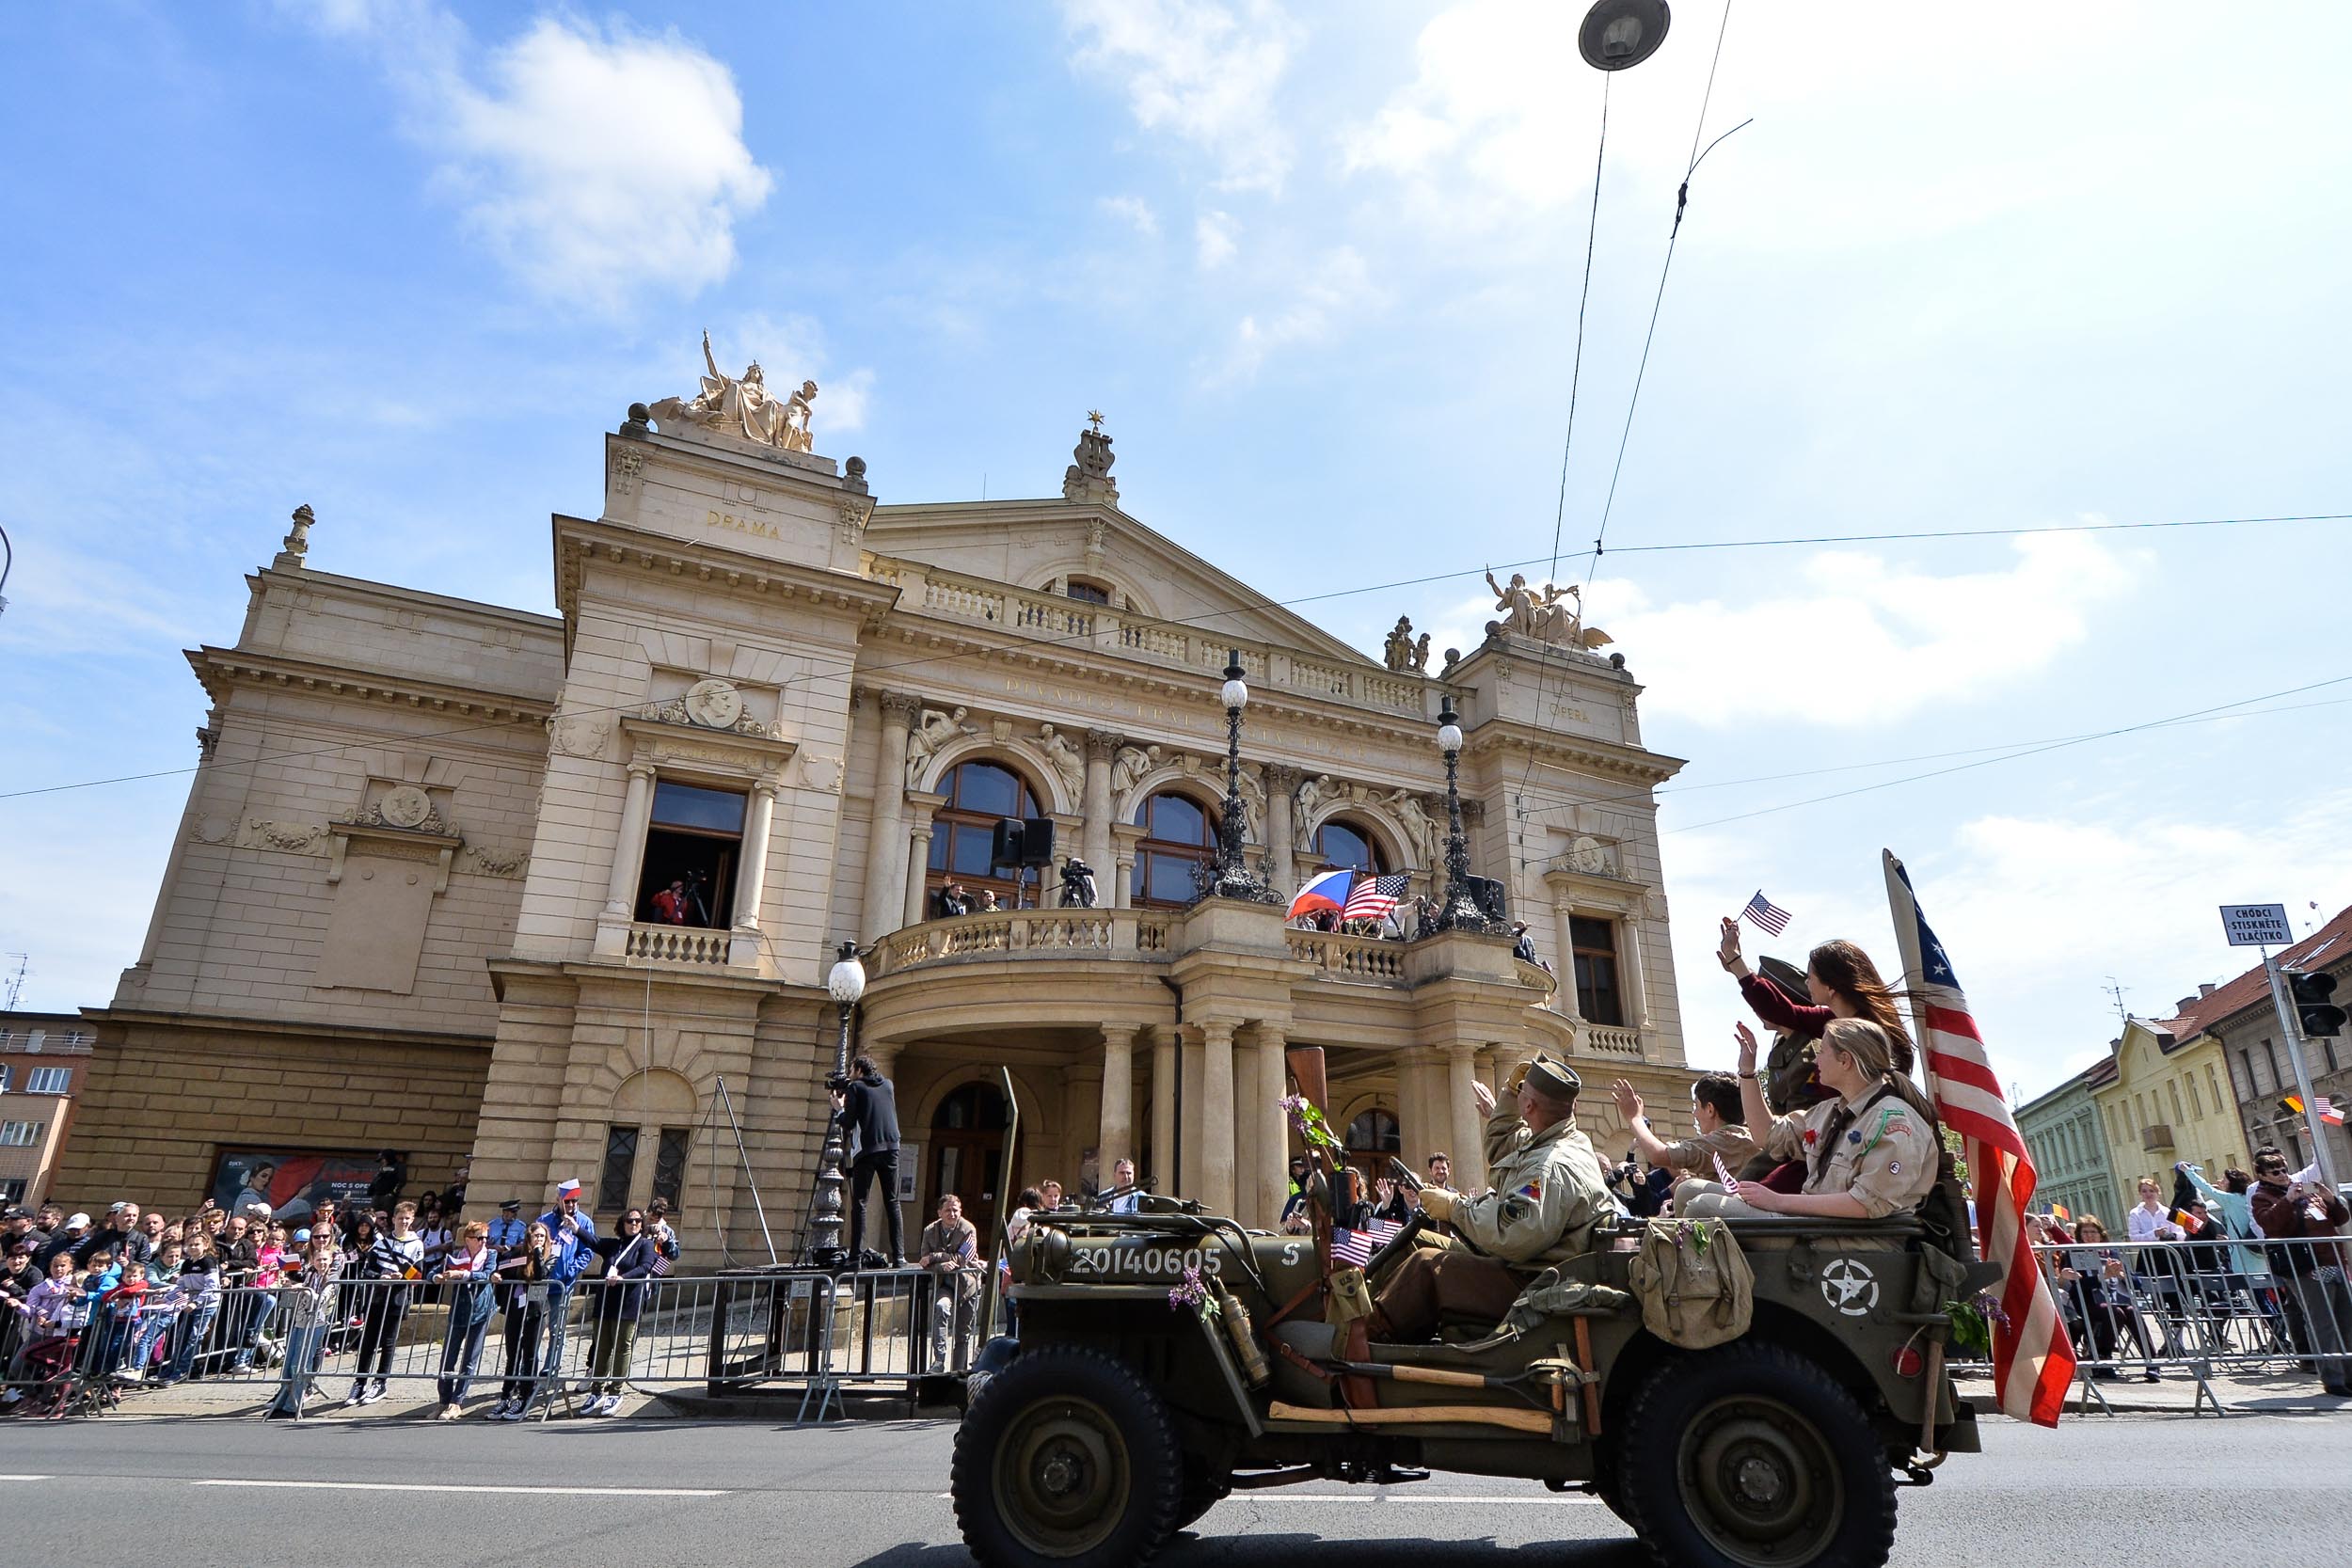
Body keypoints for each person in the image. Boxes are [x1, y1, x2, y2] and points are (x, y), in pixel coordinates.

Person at [1368, 1055, 1614, 1342]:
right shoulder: (1565, 1140)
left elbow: (1512, 1231)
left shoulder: (1549, 1168)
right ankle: (1371, 1315)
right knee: (1413, 1240)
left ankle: (1362, 1342)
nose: (1517, 1093)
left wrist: (1454, 1207)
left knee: (1426, 1265)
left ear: (1529, 1106)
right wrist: (1510, 1093)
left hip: (1532, 1284)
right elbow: (1502, 1142)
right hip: (1531, 1268)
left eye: (1522, 1091)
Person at [1677, 1018, 1939, 1223]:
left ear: (1845, 1060)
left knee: (1703, 1207)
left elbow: (1866, 1204)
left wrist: (1778, 1201)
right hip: (1813, 1225)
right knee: (1689, 1190)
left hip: (1850, 1238)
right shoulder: (1831, 1112)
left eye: (1822, 1051)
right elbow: (1767, 1135)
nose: (1816, 1059)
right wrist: (1747, 1072)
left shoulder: (1893, 1121)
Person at [1716, 919, 1917, 1101]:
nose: (1807, 983)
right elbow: (1781, 1011)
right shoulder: (1835, 1020)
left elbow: (1780, 1011)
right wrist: (1737, 965)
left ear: (1830, 986)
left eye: (1810, 977)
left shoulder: (1865, 1031)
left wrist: (1735, 960)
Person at [2249, 1148, 2352, 1395]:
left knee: (2346, 1319)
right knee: (2322, 1322)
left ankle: (2350, 1374)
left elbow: (2339, 1219)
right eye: (2275, 1172)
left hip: (2333, 1260)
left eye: (2284, 1169)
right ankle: (2333, 1378)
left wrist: (2330, 1200)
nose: (2282, 1174)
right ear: (2262, 1175)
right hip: (2305, 1266)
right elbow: (2270, 1224)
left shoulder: (2305, 1191)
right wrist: (2288, 1201)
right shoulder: (2261, 1196)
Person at [2054, 1213, 2162, 1381]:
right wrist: (2102, 1277)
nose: (2089, 1236)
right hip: (2088, 1301)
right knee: (2114, 1312)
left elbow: (2136, 1283)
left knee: (2132, 1311)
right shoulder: (2074, 1254)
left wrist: (2122, 1275)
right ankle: (2104, 1357)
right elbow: (2078, 1285)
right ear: (2079, 1236)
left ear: (2101, 1234)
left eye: (2093, 1232)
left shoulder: (2112, 1253)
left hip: (2118, 1298)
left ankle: (2152, 1361)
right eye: (2085, 1232)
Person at [584, 1209, 671, 1416]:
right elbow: (593, 1241)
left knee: (622, 1346)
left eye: (638, 1221)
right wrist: (575, 1226)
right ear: (622, 1223)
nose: (634, 1224)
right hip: (605, 1302)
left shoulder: (645, 1244)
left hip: (628, 1304)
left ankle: (615, 1391)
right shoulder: (614, 1245)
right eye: (630, 1220)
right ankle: (596, 1390)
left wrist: (623, 1278)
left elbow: (645, 1267)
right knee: (602, 1347)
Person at [1611, 1071, 1758, 1182]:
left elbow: (1658, 1155)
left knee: (1688, 1190)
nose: (1695, 1114)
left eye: (1696, 1106)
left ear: (1710, 1109)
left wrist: (1635, 1118)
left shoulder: (1720, 1142)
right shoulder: (1754, 1137)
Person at [344, 1203, 425, 1405]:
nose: (404, 1221)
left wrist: (401, 1275)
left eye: (407, 1218)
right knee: (368, 1341)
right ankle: (360, 1382)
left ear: (412, 1220)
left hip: (397, 1297)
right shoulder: (381, 1244)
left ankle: (380, 1382)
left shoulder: (417, 1244)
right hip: (376, 1297)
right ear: (393, 1219)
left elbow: (418, 1275)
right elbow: (367, 1270)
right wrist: (381, 1275)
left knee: (389, 1341)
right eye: (401, 1218)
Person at [534, 1180, 601, 1406]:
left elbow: (587, 1252)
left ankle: (550, 1370)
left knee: (557, 1330)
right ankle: (530, 1369)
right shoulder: (544, 1221)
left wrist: (570, 1271)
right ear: (558, 1200)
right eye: (567, 1201)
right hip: (540, 1285)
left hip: (563, 1286)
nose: (571, 1205)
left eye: (574, 1201)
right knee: (534, 1328)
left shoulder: (583, 1222)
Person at [835, 1055, 906, 1266]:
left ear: (859, 1070)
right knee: (892, 1202)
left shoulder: (855, 1087)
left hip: (867, 1148)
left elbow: (849, 1122)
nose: (850, 1074)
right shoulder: (888, 1085)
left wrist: (839, 1108)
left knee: (860, 1203)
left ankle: (855, 1257)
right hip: (892, 1147)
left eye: (851, 1070)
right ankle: (899, 1256)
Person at [264, 1234, 341, 1419]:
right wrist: (292, 1284)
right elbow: (300, 1283)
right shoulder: (311, 1274)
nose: (322, 1263)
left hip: (315, 1323)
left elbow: (322, 1299)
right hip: (300, 1320)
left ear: (331, 1260)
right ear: (313, 1261)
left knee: (300, 1364)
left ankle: (293, 1405)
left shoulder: (332, 1277)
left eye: (325, 1259)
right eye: (318, 1260)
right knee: (289, 1362)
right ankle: (282, 1401)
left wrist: (304, 1290)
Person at [433, 1220, 499, 1419]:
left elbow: (486, 1274)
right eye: (479, 1238)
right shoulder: (457, 1256)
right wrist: (437, 1277)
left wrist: (462, 1274)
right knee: (448, 1358)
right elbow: (435, 1271)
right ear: (468, 1239)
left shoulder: (490, 1254)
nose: (484, 1241)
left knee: (470, 1359)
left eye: (486, 1238)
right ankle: (444, 1400)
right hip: (459, 1311)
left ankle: (457, 1402)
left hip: (480, 1311)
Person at [494, 1220, 557, 1419]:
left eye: (542, 1236)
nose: (539, 1239)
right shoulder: (517, 1254)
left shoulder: (550, 1256)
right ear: (528, 1237)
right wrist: (496, 1275)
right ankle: (505, 1396)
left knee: (530, 1354)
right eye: (536, 1236)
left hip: (536, 1310)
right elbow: (502, 1269)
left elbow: (540, 1275)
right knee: (512, 1353)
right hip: (516, 1308)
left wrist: (537, 1253)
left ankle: (524, 1397)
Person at [920, 1195, 983, 1371]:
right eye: (948, 1210)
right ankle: (939, 1361)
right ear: (939, 1213)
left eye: (955, 1210)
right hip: (944, 1284)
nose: (952, 1214)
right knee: (941, 1308)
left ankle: (958, 1371)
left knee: (963, 1332)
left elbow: (962, 1259)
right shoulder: (930, 1231)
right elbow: (924, 1262)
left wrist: (935, 1256)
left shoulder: (968, 1229)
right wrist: (941, 1265)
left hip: (967, 1285)